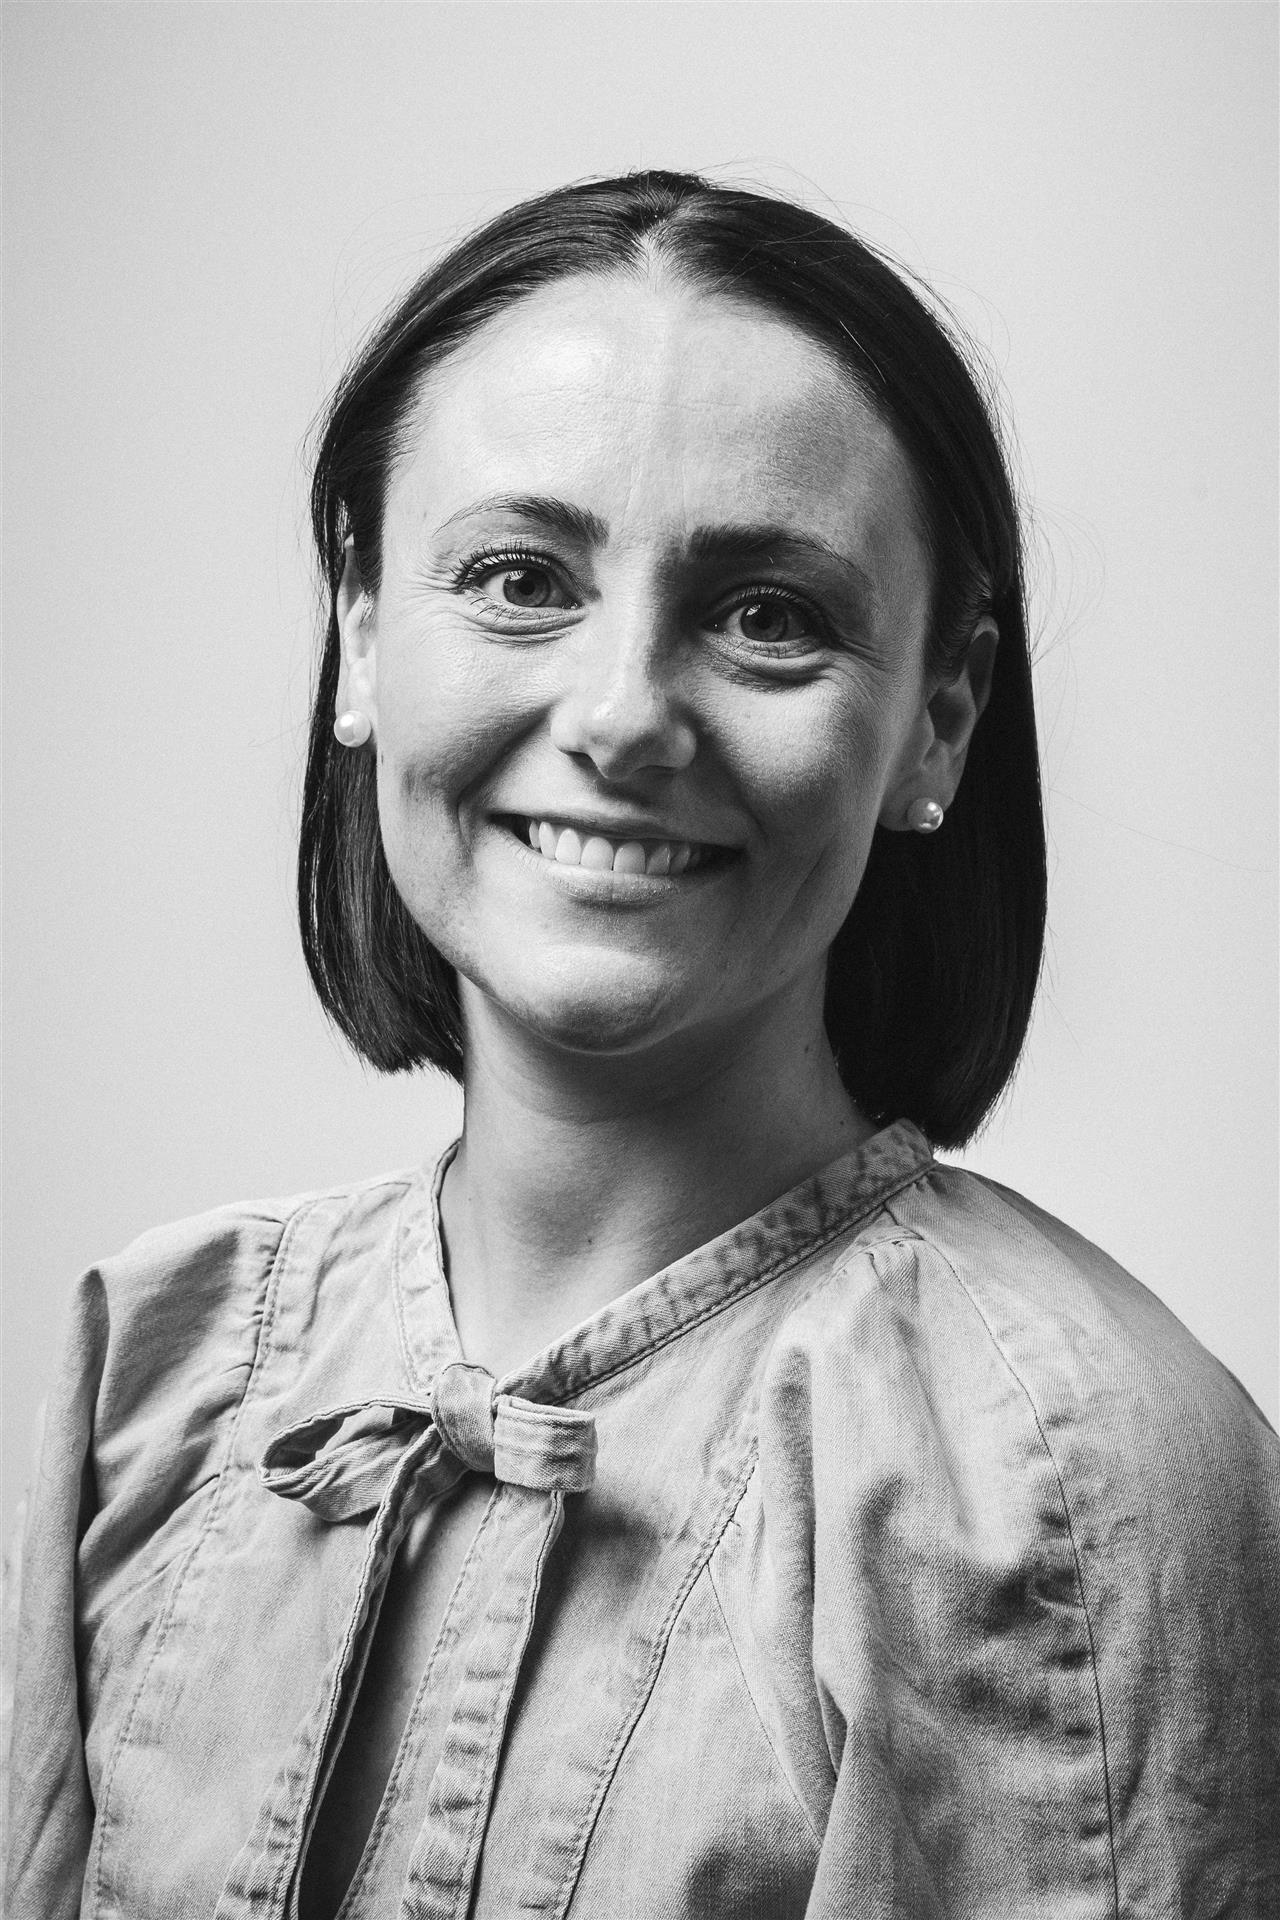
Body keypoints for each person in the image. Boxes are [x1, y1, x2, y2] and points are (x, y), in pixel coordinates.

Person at [5, 170, 1277, 1919]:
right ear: (362, 634)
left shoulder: (1063, 1487)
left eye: (770, 613)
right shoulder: (164, 1368)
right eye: (519, 578)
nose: (619, 716)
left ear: (939, 718)